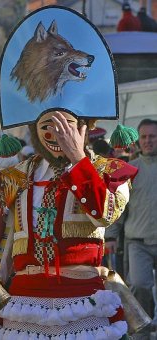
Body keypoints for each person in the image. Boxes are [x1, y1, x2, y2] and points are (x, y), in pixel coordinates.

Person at [0, 6, 137, 339]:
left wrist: (77, 157)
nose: (56, 135)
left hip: (81, 298)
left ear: (86, 127)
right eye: (47, 127)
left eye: (67, 125)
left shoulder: (109, 170)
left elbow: (104, 214)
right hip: (24, 300)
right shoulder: (16, 175)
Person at [105, 119, 157, 339]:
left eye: (152, 136)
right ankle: (143, 331)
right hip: (137, 242)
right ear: (138, 140)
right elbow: (119, 206)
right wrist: (111, 236)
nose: (148, 141)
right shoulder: (131, 170)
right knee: (138, 285)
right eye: (144, 137)